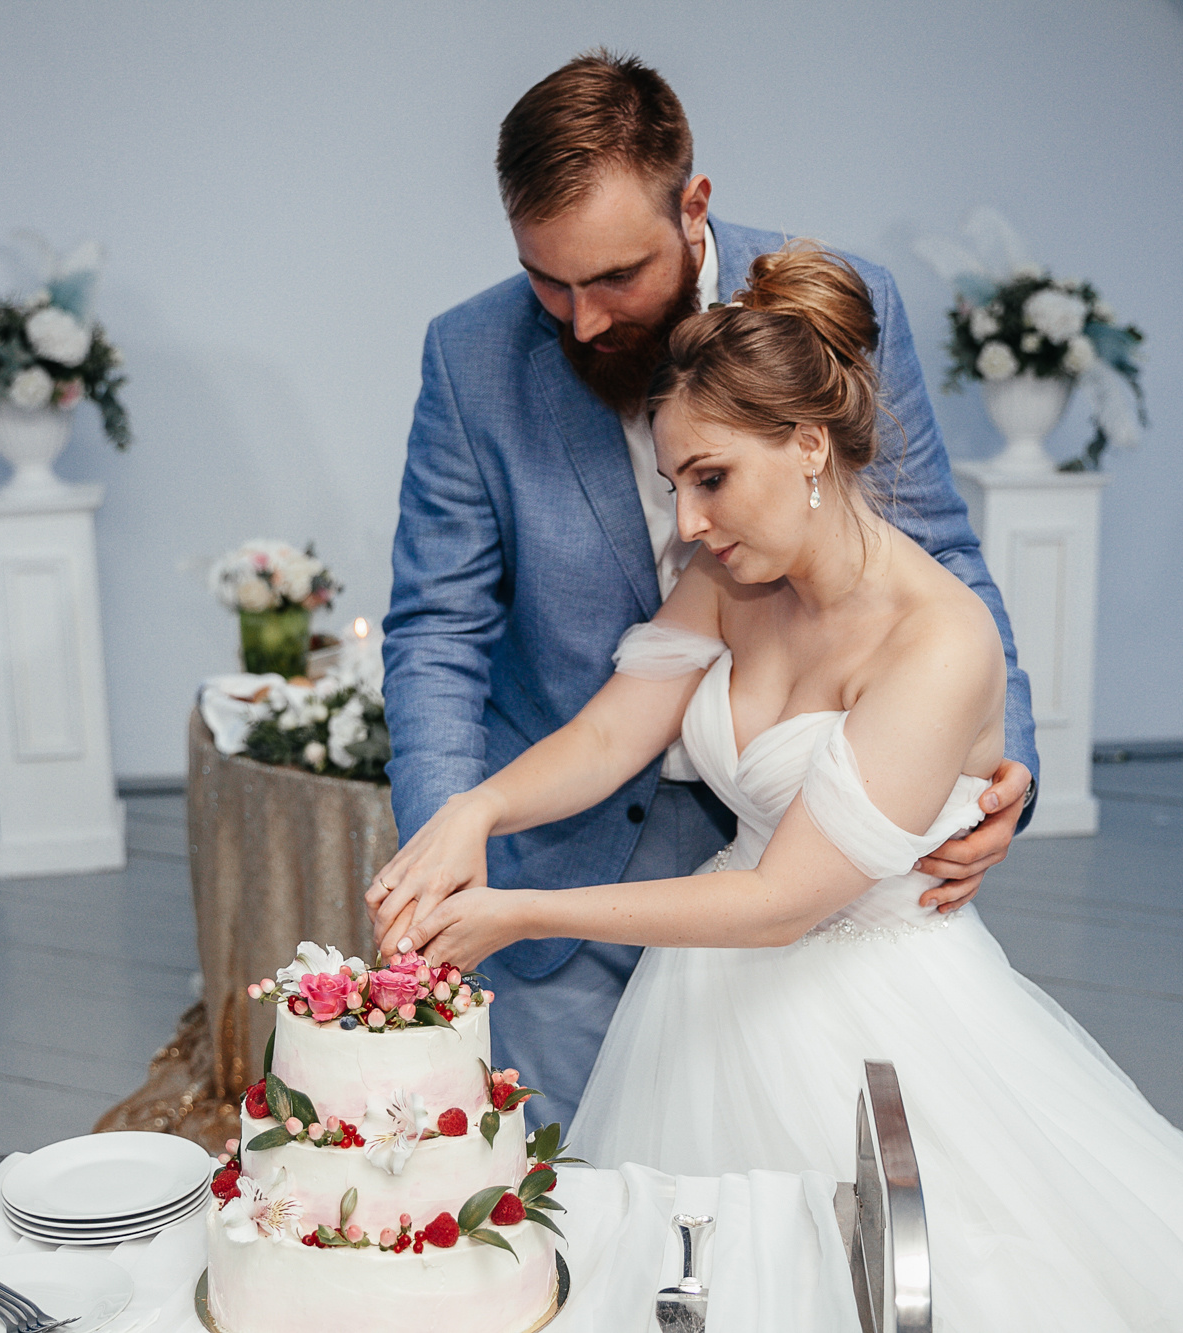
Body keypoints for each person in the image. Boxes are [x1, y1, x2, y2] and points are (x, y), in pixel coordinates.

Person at [372, 242, 1183, 1332]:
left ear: (807, 443)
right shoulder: (728, 577)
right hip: (707, 1005)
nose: (688, 523)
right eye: (676, 486)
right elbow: (614, 730)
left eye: (709, 479)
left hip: (871, 1026)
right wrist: (478, 807)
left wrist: (518, 909)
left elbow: (780, 902)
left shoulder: (936, 641)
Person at [378, 49, 1036, 1132]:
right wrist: (456, 833)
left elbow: (935, 554)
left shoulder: (843, 310)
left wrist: (999, 766)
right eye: (548, 280)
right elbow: (439, 627)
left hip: (819, 892)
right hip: (564, 867)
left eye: (613, 278)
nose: (581, 321)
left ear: (693, 208)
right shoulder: (469, 357)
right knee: (586, 1208)